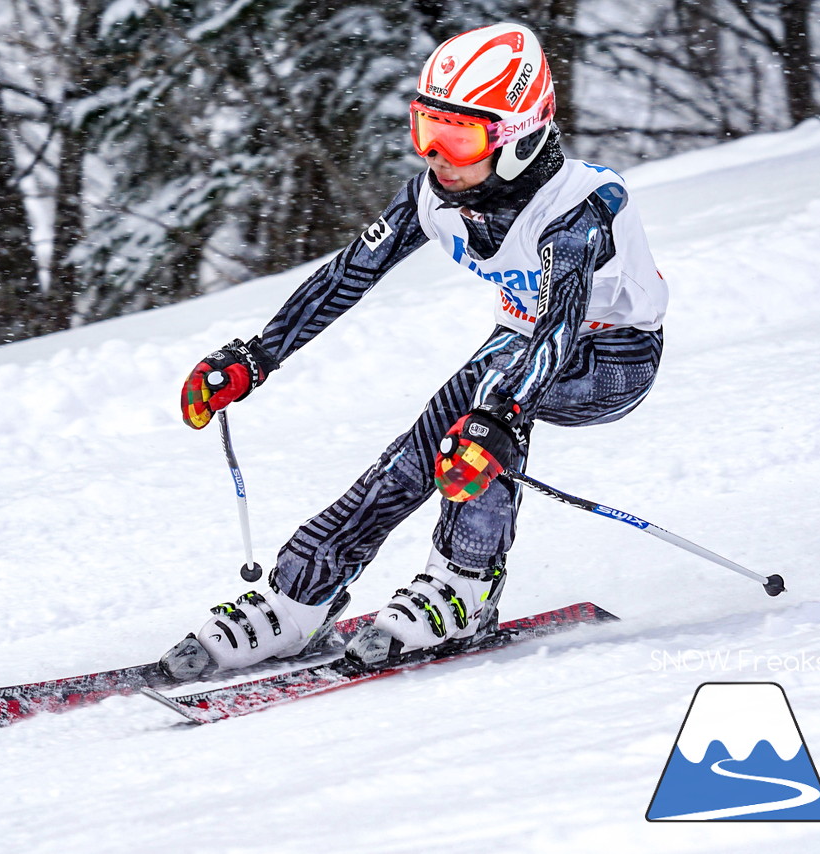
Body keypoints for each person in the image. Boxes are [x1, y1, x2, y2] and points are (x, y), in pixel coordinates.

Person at [160, 22, 667, 678]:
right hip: (516, 349)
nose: (435, 155)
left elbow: (560, 327)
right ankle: (298, 596)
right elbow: (349, 274)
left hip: (611, 360)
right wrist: (257, 355)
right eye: (425, 128)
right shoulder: (436, 196)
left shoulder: (576, 210)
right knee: (417, 454)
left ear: (520, 137)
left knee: (483, 414)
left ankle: (464, 585)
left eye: (457, 137)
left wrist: (498, 418)